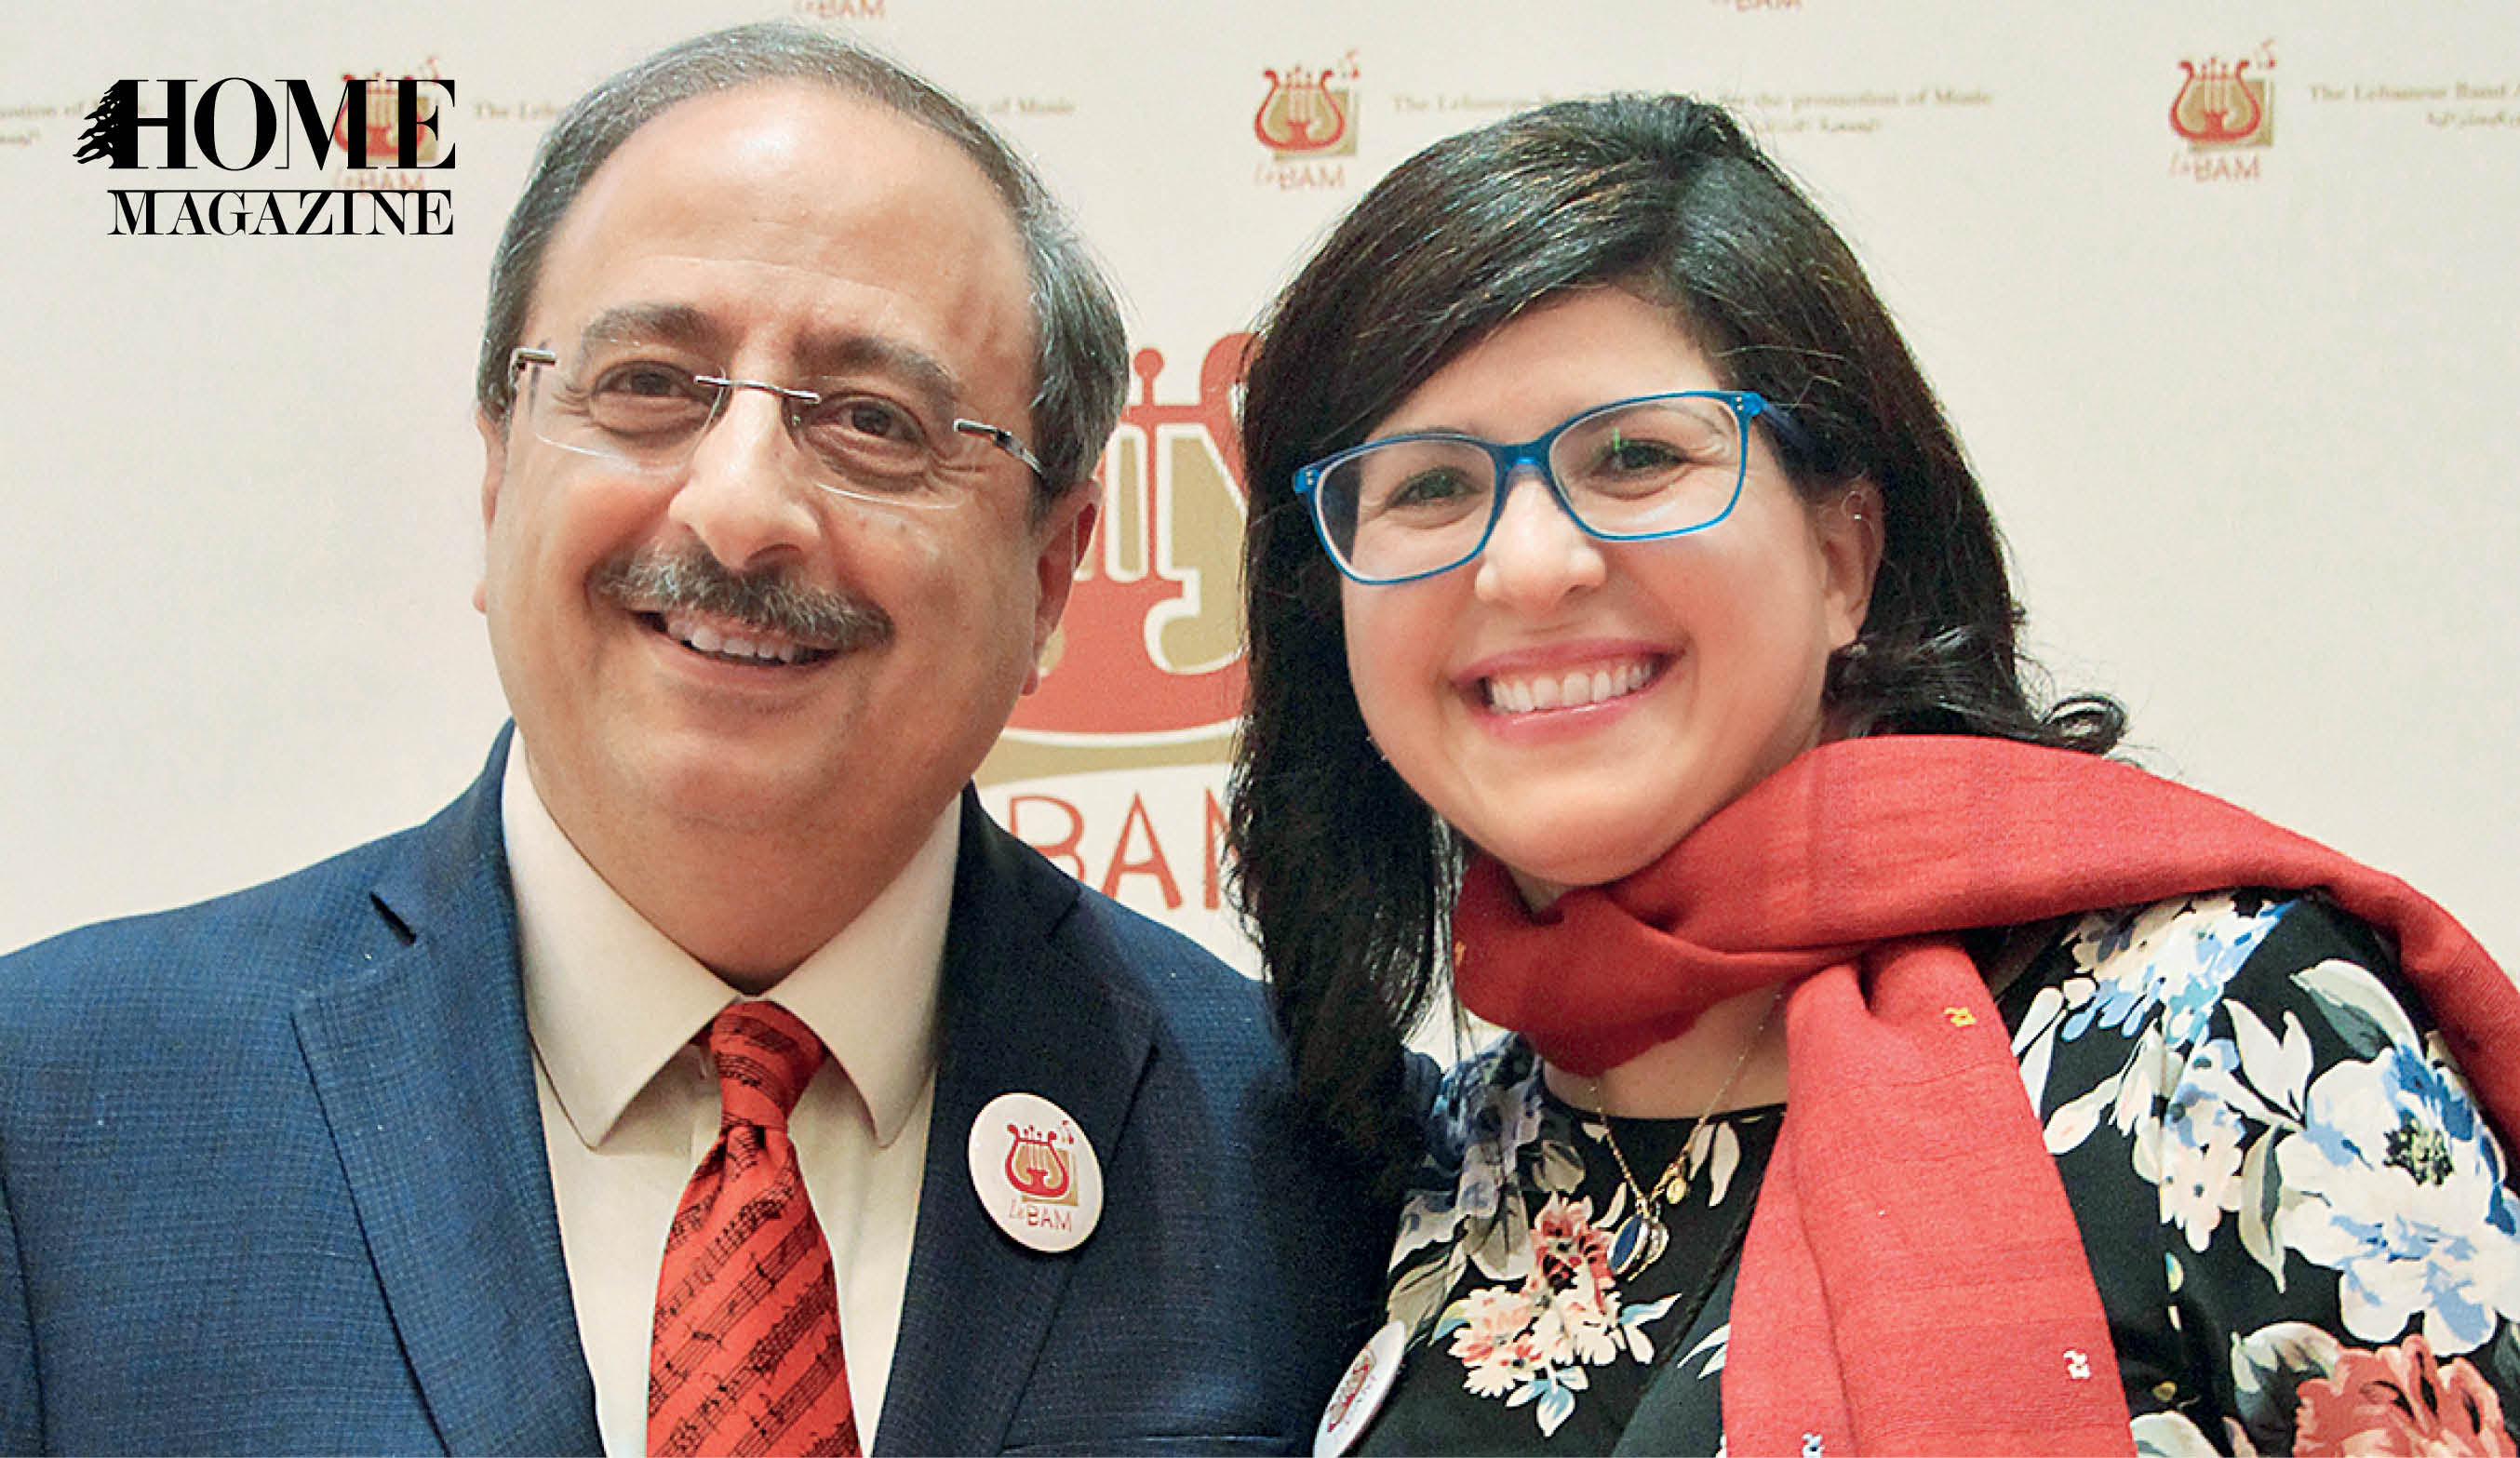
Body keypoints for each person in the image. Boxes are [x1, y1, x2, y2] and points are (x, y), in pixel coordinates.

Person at [0, 23, 1388, 1455]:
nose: (738, 510)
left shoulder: (1313, 1154)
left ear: (1050, 574)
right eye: (650, 386)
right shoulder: (53, 1111)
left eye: (871, 419)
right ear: (498, 472)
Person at [1230, 94, 2520, 1455]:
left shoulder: (2222, 1039)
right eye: (1428, 487)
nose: (1531, 563)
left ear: (1844, 555)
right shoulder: (1462, 1154)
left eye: (1637, 457)